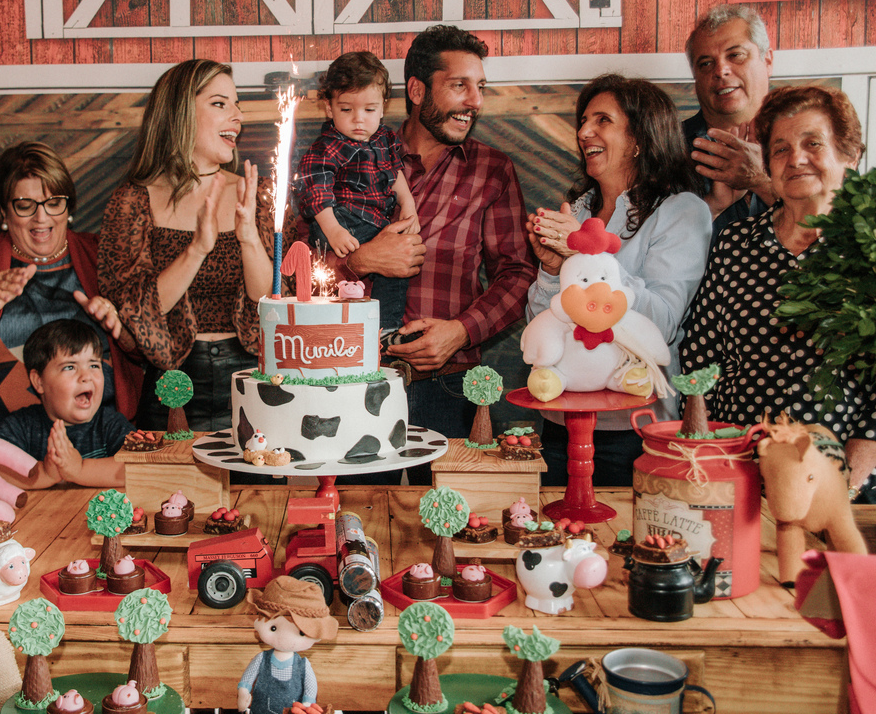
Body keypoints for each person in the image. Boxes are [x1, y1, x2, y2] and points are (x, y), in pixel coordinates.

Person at [340, 25, 535, 476]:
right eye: (459, 85)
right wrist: (360, 260)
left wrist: (460, 332)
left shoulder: (492, 170)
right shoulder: (348, 160)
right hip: (352, 381)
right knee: (359, 510)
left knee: (452, 509)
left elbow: (518, 274)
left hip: (450, 386)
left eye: (480, 87)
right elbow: (298, 265)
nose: (475, 101)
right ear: (416, 90)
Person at [682, 85, 876, 502]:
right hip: (736, 474)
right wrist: (705, 464)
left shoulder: (868, 250)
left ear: (850, 155)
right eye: (781, 149)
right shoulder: (734, 243)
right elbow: (701, 358)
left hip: (838, 483)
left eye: (813, 143)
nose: (796, 159)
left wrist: (845, 486)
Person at [526, 73, 711, 487]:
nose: (583, 132)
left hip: (634, 427)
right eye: (583, 121)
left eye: (602, 120)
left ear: (640, 138)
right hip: (560, 420)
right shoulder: (578, 209)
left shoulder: (680, 211)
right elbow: (541, 328)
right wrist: (552, 270)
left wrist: (587, 255)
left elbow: (661, 322)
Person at [98, 59, 287, 432]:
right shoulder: (133, 201)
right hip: (172, 387)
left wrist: (248, 236)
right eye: (220, 104)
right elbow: (137, 311)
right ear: (179, 112)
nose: (237, 117)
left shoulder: (258, 193)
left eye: (237, 105)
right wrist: (197, 248)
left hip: (252, 379)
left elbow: (272, 302)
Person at [0, 141, 142, 430]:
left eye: (54, 203)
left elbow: (147, 351)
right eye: (25, 206)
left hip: (103, 438)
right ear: (3, 211)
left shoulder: (102, 254)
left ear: (68, 207)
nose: (42, 217)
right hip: (0, 440)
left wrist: (120, 329)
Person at [296, 51, 419, 329]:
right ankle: (333, 322)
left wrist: (408, 203)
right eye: (346, 110)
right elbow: (316, 191)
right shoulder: (327, 146)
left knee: (397, 263)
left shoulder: (385, 138)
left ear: (383, 108)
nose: (358, 120)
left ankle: (386, 326)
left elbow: (394, 172)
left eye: (369, 110)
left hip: (373, 222)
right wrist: (333, 230)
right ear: (329, 108)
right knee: (333, 273)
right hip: (339, 219)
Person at [0, 319, 132, 489]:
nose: (86, 376)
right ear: (39, 381)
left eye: (94, 365)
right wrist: (45, 473)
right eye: (70, 367)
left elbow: (137, 467)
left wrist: (79, 470)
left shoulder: (111, 424)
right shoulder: (22, 426)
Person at [684, 4, 777, 241]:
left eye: (735, 55)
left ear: (767, 61)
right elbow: (648, 251)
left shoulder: (812, 141)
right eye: (706, 63)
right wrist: (711, 207)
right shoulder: (665, 149)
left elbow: (836, 238)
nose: (721, 71)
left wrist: (760, 182)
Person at [237, 576, 338, 714]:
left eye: (301, 632)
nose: (285, 637)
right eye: (273, 628)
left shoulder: (303, 665)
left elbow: (310, 689)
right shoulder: (261, 659)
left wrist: (307, 704)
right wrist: (243, 691)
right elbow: (247, 678)